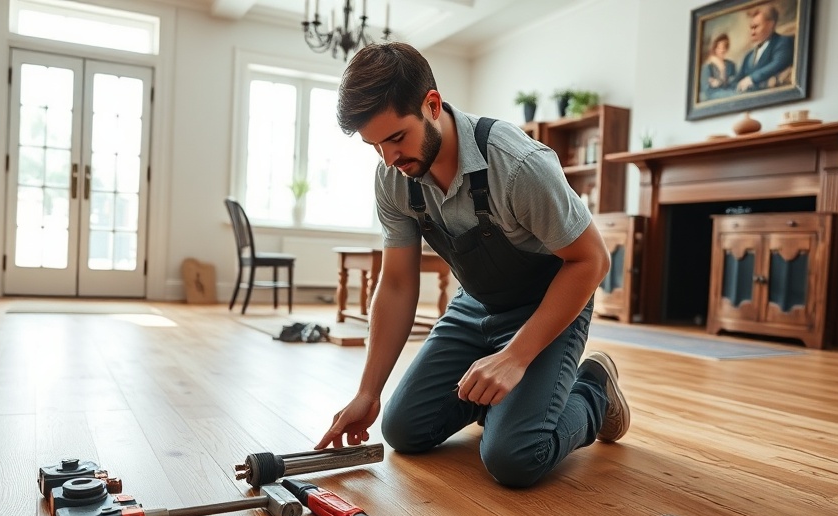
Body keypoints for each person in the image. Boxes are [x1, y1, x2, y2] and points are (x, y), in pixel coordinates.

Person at [314, 42, 631, 489]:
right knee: (402, 430)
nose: (388, 159)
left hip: (548, 307)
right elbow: (398, 285)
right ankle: (506, 402)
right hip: (475, 307)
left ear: (432, 104)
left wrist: (516, 357)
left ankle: (593, 389)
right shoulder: (393, 176)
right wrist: (368, 391)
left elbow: (592, 260)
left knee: (514, 457)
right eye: (374, 146)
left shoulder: (518, 165)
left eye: (397, 138)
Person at [735, 3, 794, 92]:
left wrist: (752, 78)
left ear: (770, 25)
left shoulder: (783, 42)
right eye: (751, 28)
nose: (752, 32)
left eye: (756, 27)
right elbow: (737, 79)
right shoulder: (748, 56)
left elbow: (778, 64)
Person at [699, 33, 737, 101]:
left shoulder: (731, 65)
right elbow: (706, 89)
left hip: (730, 93)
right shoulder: (708, 66)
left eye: (724, 47)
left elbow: (733, 83)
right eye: (719, 48)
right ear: (715, 49)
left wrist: (719, 83)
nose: (722, 50)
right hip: (714, 95)